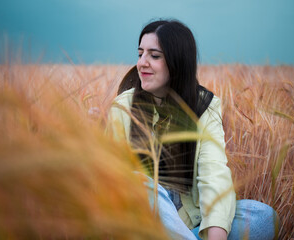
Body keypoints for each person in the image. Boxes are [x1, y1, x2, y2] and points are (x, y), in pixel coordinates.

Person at [108, 19, 278, 240]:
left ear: (177, 61)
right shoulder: (123, 106)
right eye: (140, 54)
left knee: (263, 217)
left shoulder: (204, 106)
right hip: (143, 225)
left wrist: (215, 234)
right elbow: (113, 183)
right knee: (139, 183)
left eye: (154, 56)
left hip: (191, 223)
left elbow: (214, 174)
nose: (142, 63)